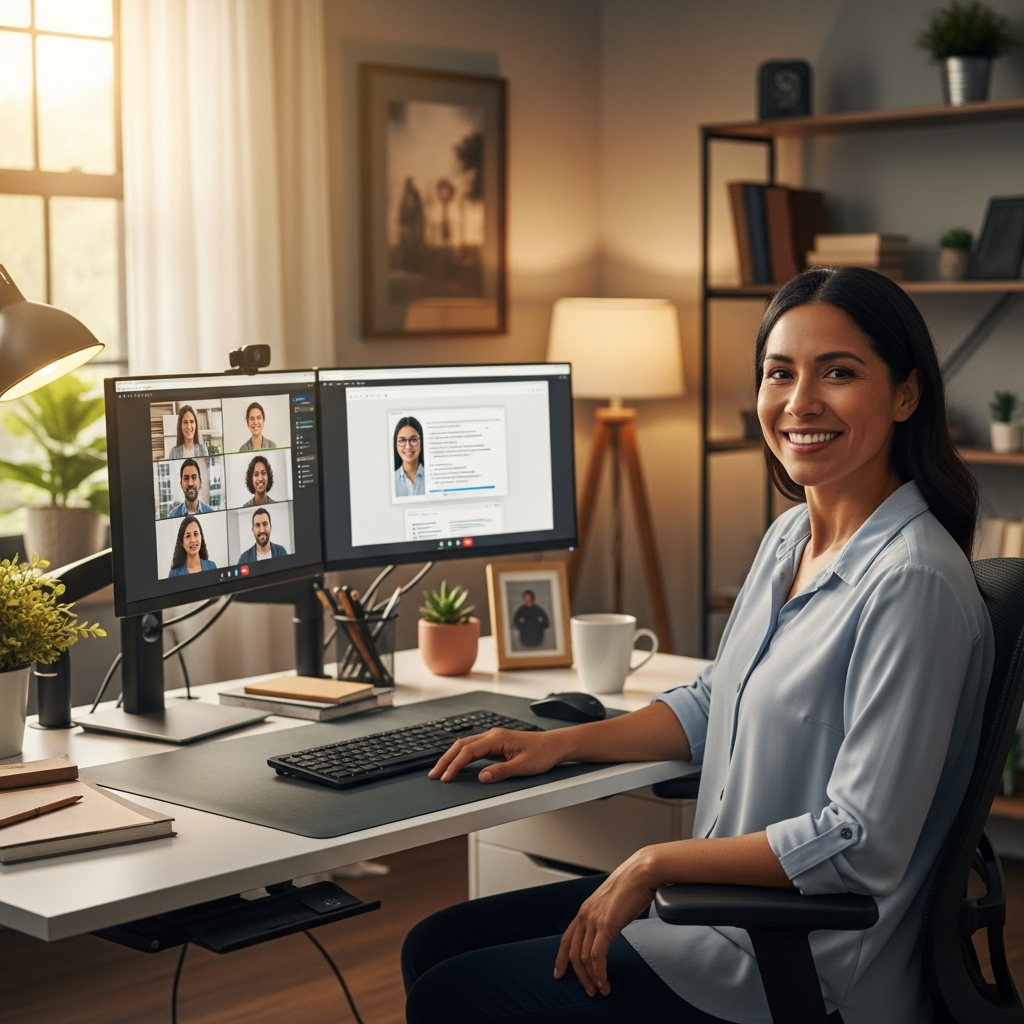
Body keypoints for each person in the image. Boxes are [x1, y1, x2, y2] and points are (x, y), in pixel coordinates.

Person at [402, 267, 994, 1024]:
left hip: (794, 965)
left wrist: (654, 863)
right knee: (437, 944)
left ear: (905, 395)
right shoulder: (790, 539)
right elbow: (716, 702)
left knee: (455, 993)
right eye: (780, 373)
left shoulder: (912, 585)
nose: (800, 402)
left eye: (839, 373)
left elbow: (859, 841)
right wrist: (560, 743)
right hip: (718, 915)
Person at [394, 415, 425, 497]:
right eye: (402, 440)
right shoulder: (391, 480)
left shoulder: (433, 477)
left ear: (421, 442)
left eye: (413, 440)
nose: (408, 446)